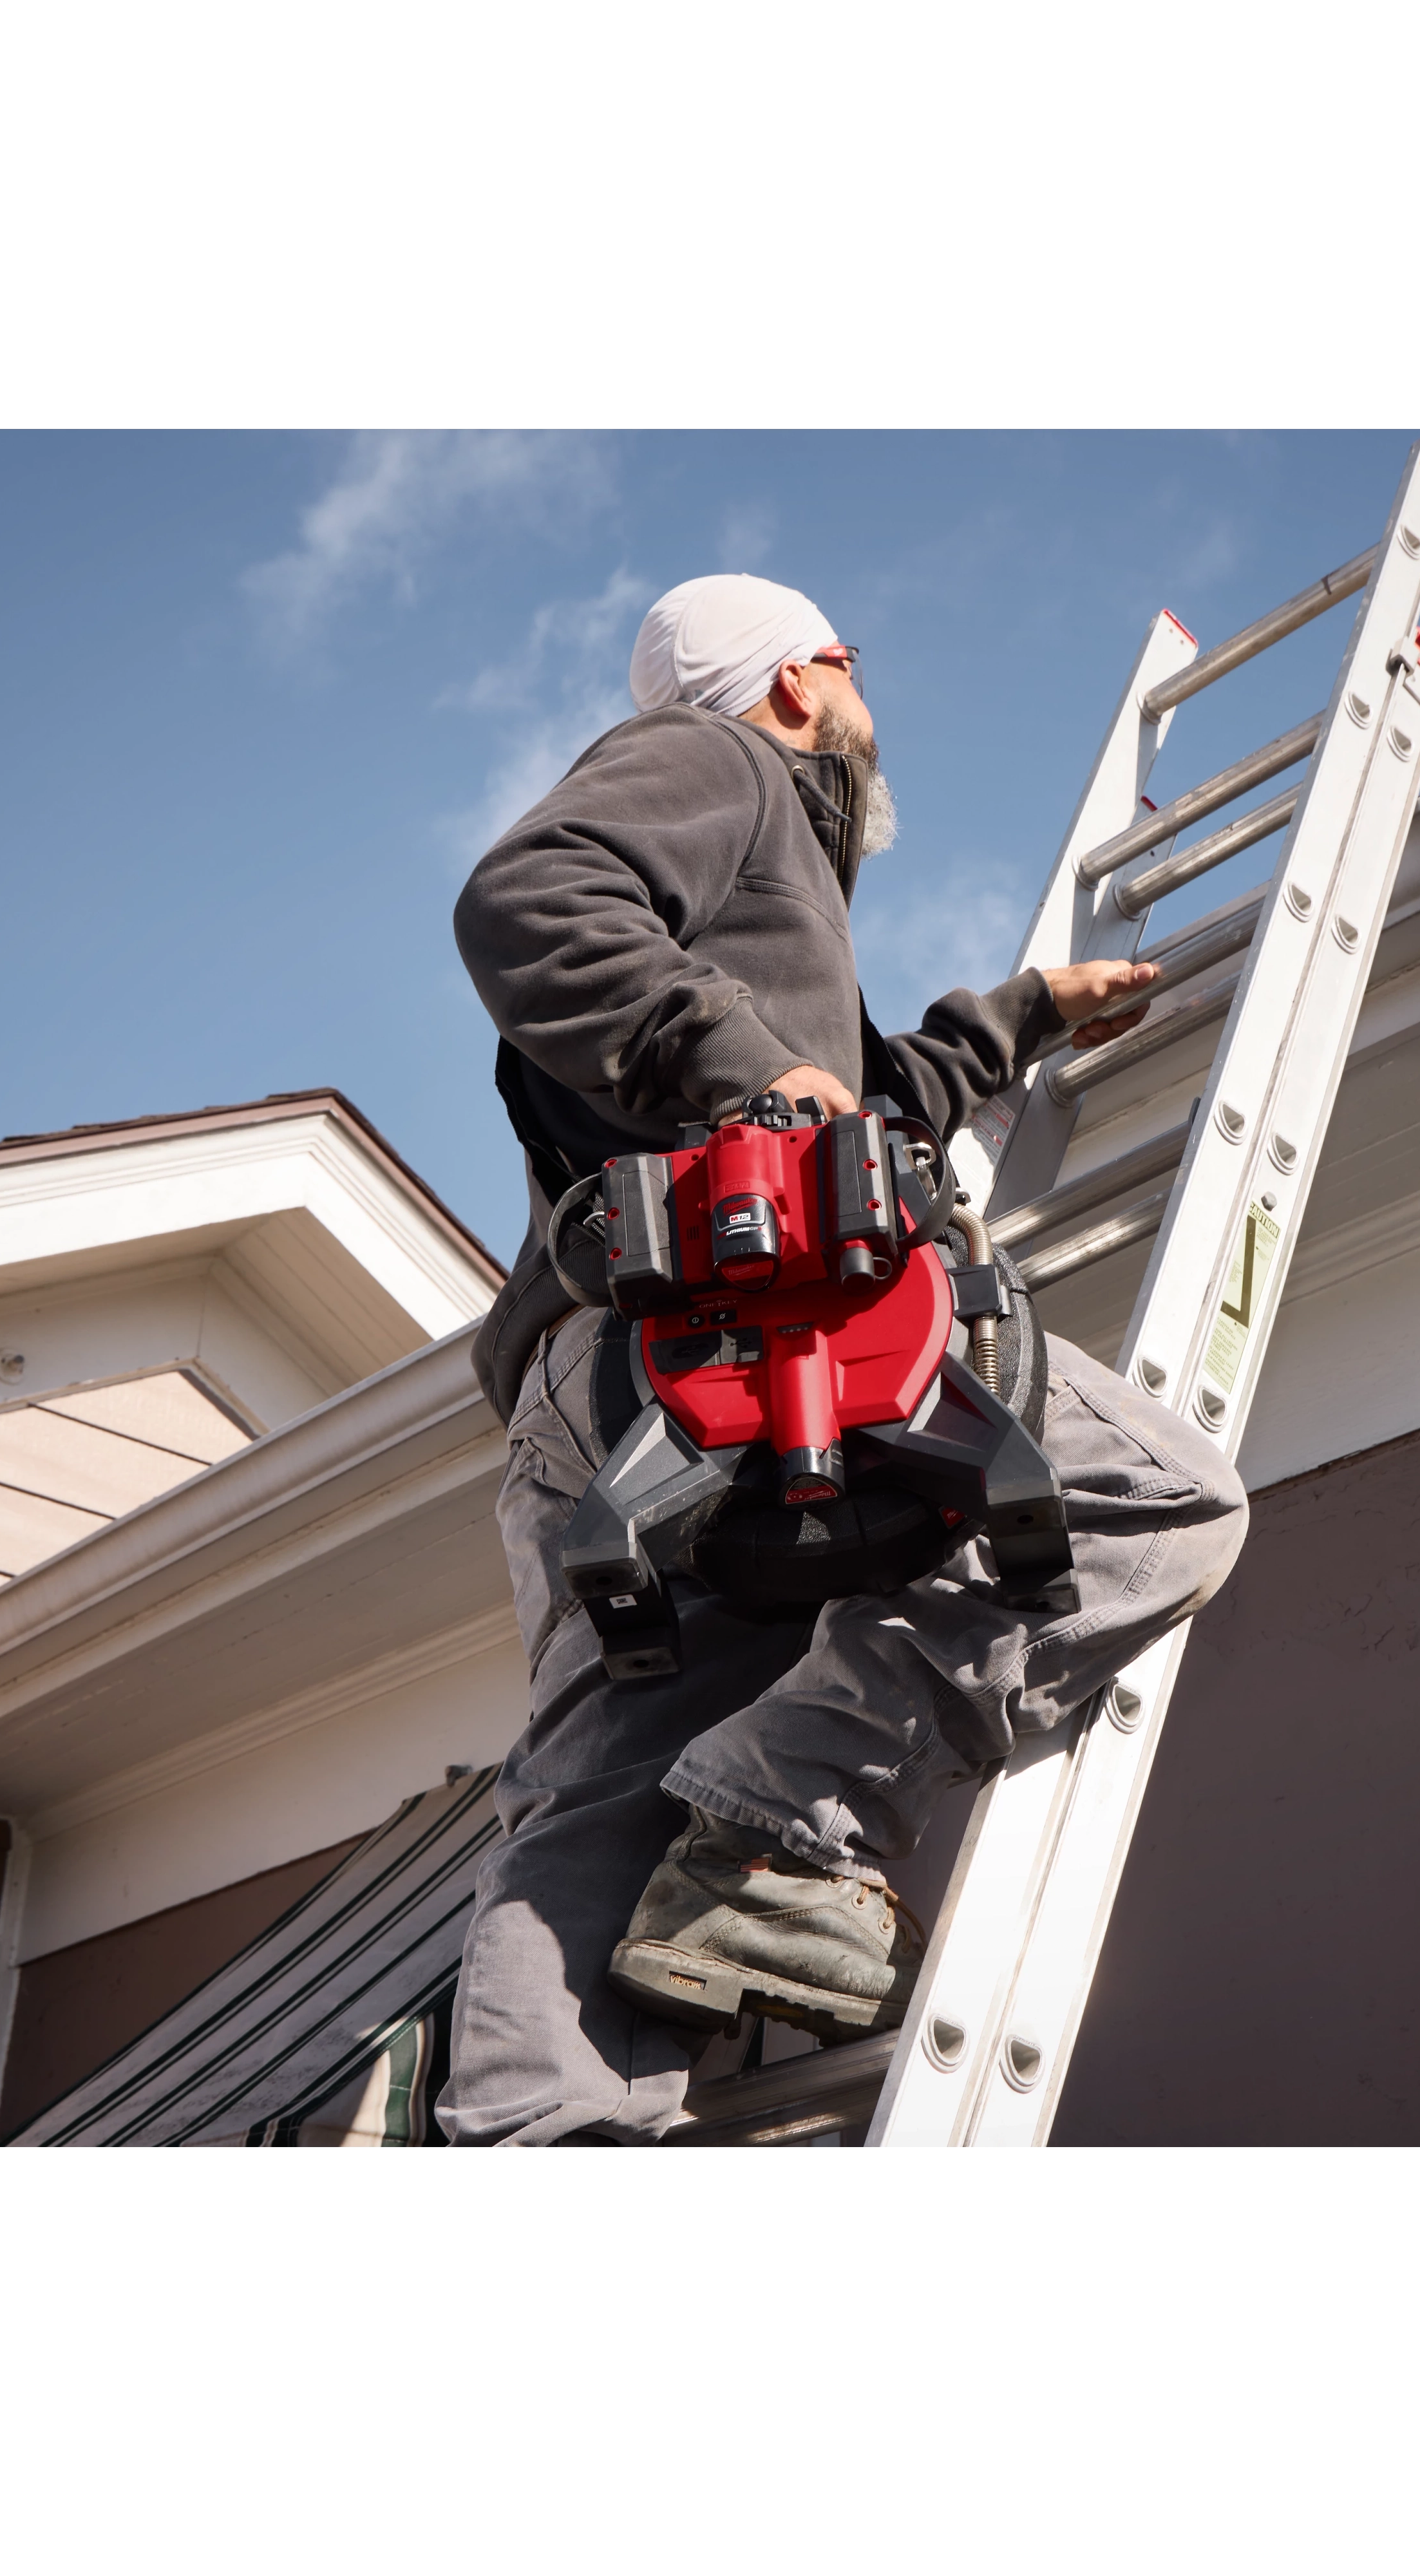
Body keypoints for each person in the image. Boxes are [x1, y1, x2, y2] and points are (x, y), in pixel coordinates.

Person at [446, 573, 1247, 2145]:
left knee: (610, 1774)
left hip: (608, 1376)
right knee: (1156, 1497)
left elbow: (844, 1111)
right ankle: (784, 1814)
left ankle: (547, 2120)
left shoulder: (762, 895)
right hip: (709, 1341)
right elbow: (523, 897)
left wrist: (1008, 1022)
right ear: (796, 683)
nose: (863, 694)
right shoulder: (727, 767)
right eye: (848, 661)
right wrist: (745, 1069)